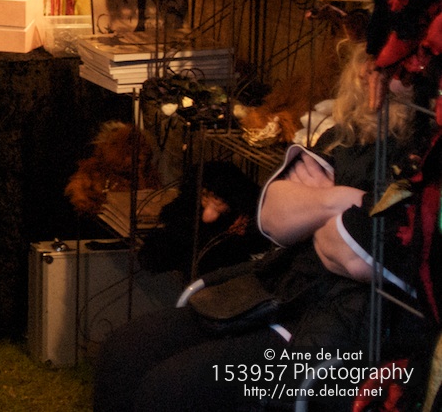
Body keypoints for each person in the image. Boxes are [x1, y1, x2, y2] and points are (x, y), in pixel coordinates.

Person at [92, 43, 424, 412]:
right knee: (124, 351)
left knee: (172, 388)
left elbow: (350, 254)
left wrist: (315, 207)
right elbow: (273, 217)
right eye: (368, 60)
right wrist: (341, 200)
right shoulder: (347, 136)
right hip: (282, 292)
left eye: (391, 66)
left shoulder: (423, 161)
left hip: (346, 333)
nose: (369, 72)